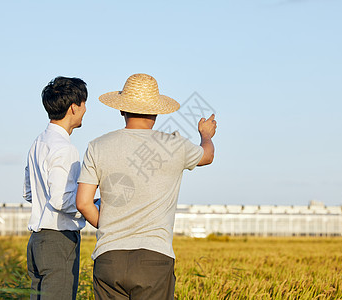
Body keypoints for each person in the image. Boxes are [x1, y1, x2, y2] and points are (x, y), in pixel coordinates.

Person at [76, 73, 217, 299]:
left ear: (121, 109)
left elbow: (83, 203)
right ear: (157, 111)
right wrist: (206, 135)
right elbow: (207, 156)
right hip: (154, 258)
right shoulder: (174, 144)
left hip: (109, 257)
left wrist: (112, 226)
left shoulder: (97, 146)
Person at [23, 76, 88, 300]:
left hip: (37, 242)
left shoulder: (38, 143)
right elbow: (62, 201)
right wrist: (92, 205)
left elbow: (29, 192)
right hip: (59, 240)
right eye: (84, 103)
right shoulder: (65, 149)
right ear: (73, 107)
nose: (85, 109)